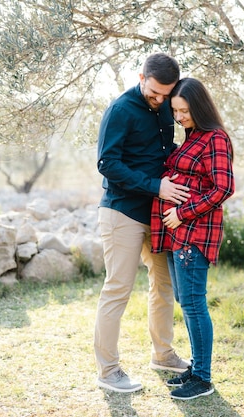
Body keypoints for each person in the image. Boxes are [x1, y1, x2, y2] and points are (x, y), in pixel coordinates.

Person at [93, 53, 193, 393]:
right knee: (117, 289)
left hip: (159, 215)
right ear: (141, 77)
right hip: (122, 212)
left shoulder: (167, 104)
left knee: (163, 286)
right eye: (154, 93)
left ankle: (163, 355)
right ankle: (108, 372)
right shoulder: (120, 110)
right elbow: (107, 163)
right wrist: (156, 186)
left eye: (166, 94)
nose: (160, 100)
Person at [151, 78, 235, 400]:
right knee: (185, 303)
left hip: (193, 233)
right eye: (175, 111)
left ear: (198, 107)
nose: (180, 117)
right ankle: (197, 367)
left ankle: (203, 377)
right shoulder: (191, 137)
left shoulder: (216, 138)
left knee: (195, 304)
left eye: (184, 110)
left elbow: (223, 188)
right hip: (176, 235)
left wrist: (183, 213)